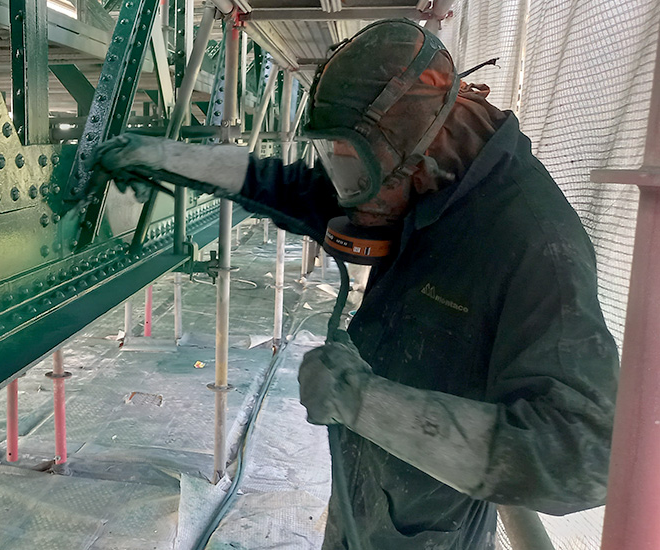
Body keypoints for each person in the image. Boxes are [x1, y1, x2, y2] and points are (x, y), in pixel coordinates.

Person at [91, 19, 617, 549]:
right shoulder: (424, 174)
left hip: (428, 529)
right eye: (339, 163)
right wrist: (173, 159)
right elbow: (293, 191)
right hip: (364, 491)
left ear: (420, 155)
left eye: (358, 174)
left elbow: (583, 458)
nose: (347, 197)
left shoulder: (535, 244)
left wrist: (364, 402)